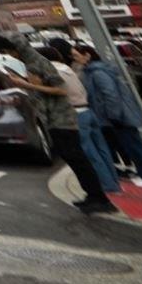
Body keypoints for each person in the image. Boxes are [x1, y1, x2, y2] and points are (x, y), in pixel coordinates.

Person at [0, 33, 115, 214]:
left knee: (77, 157)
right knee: (73, 157)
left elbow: (60, 89)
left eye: (8, 50)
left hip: (61, 117)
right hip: (53, 117)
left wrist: (25, 85)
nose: (8, 54)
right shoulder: (30, 62)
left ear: (18, 49)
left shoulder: (38, 62)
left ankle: (99, 198)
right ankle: (93, 195)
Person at [73, 41, 142, 189]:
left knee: (135, 147)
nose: (75, 59)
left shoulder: (98, 73)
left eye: (77, 56)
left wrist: (113, 116)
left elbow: (110, 95)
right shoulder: (95, 71)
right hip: (115, 116)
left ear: (87, 55)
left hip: (117, 117)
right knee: (133, 146)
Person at [45, 40, 118, 195]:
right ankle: (113, 182)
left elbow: (58, 92)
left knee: (89, 154)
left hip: (76, 114)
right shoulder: (67, 68)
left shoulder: (53, 72)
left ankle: (106, 185)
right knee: (102, 149)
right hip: (87, 111)